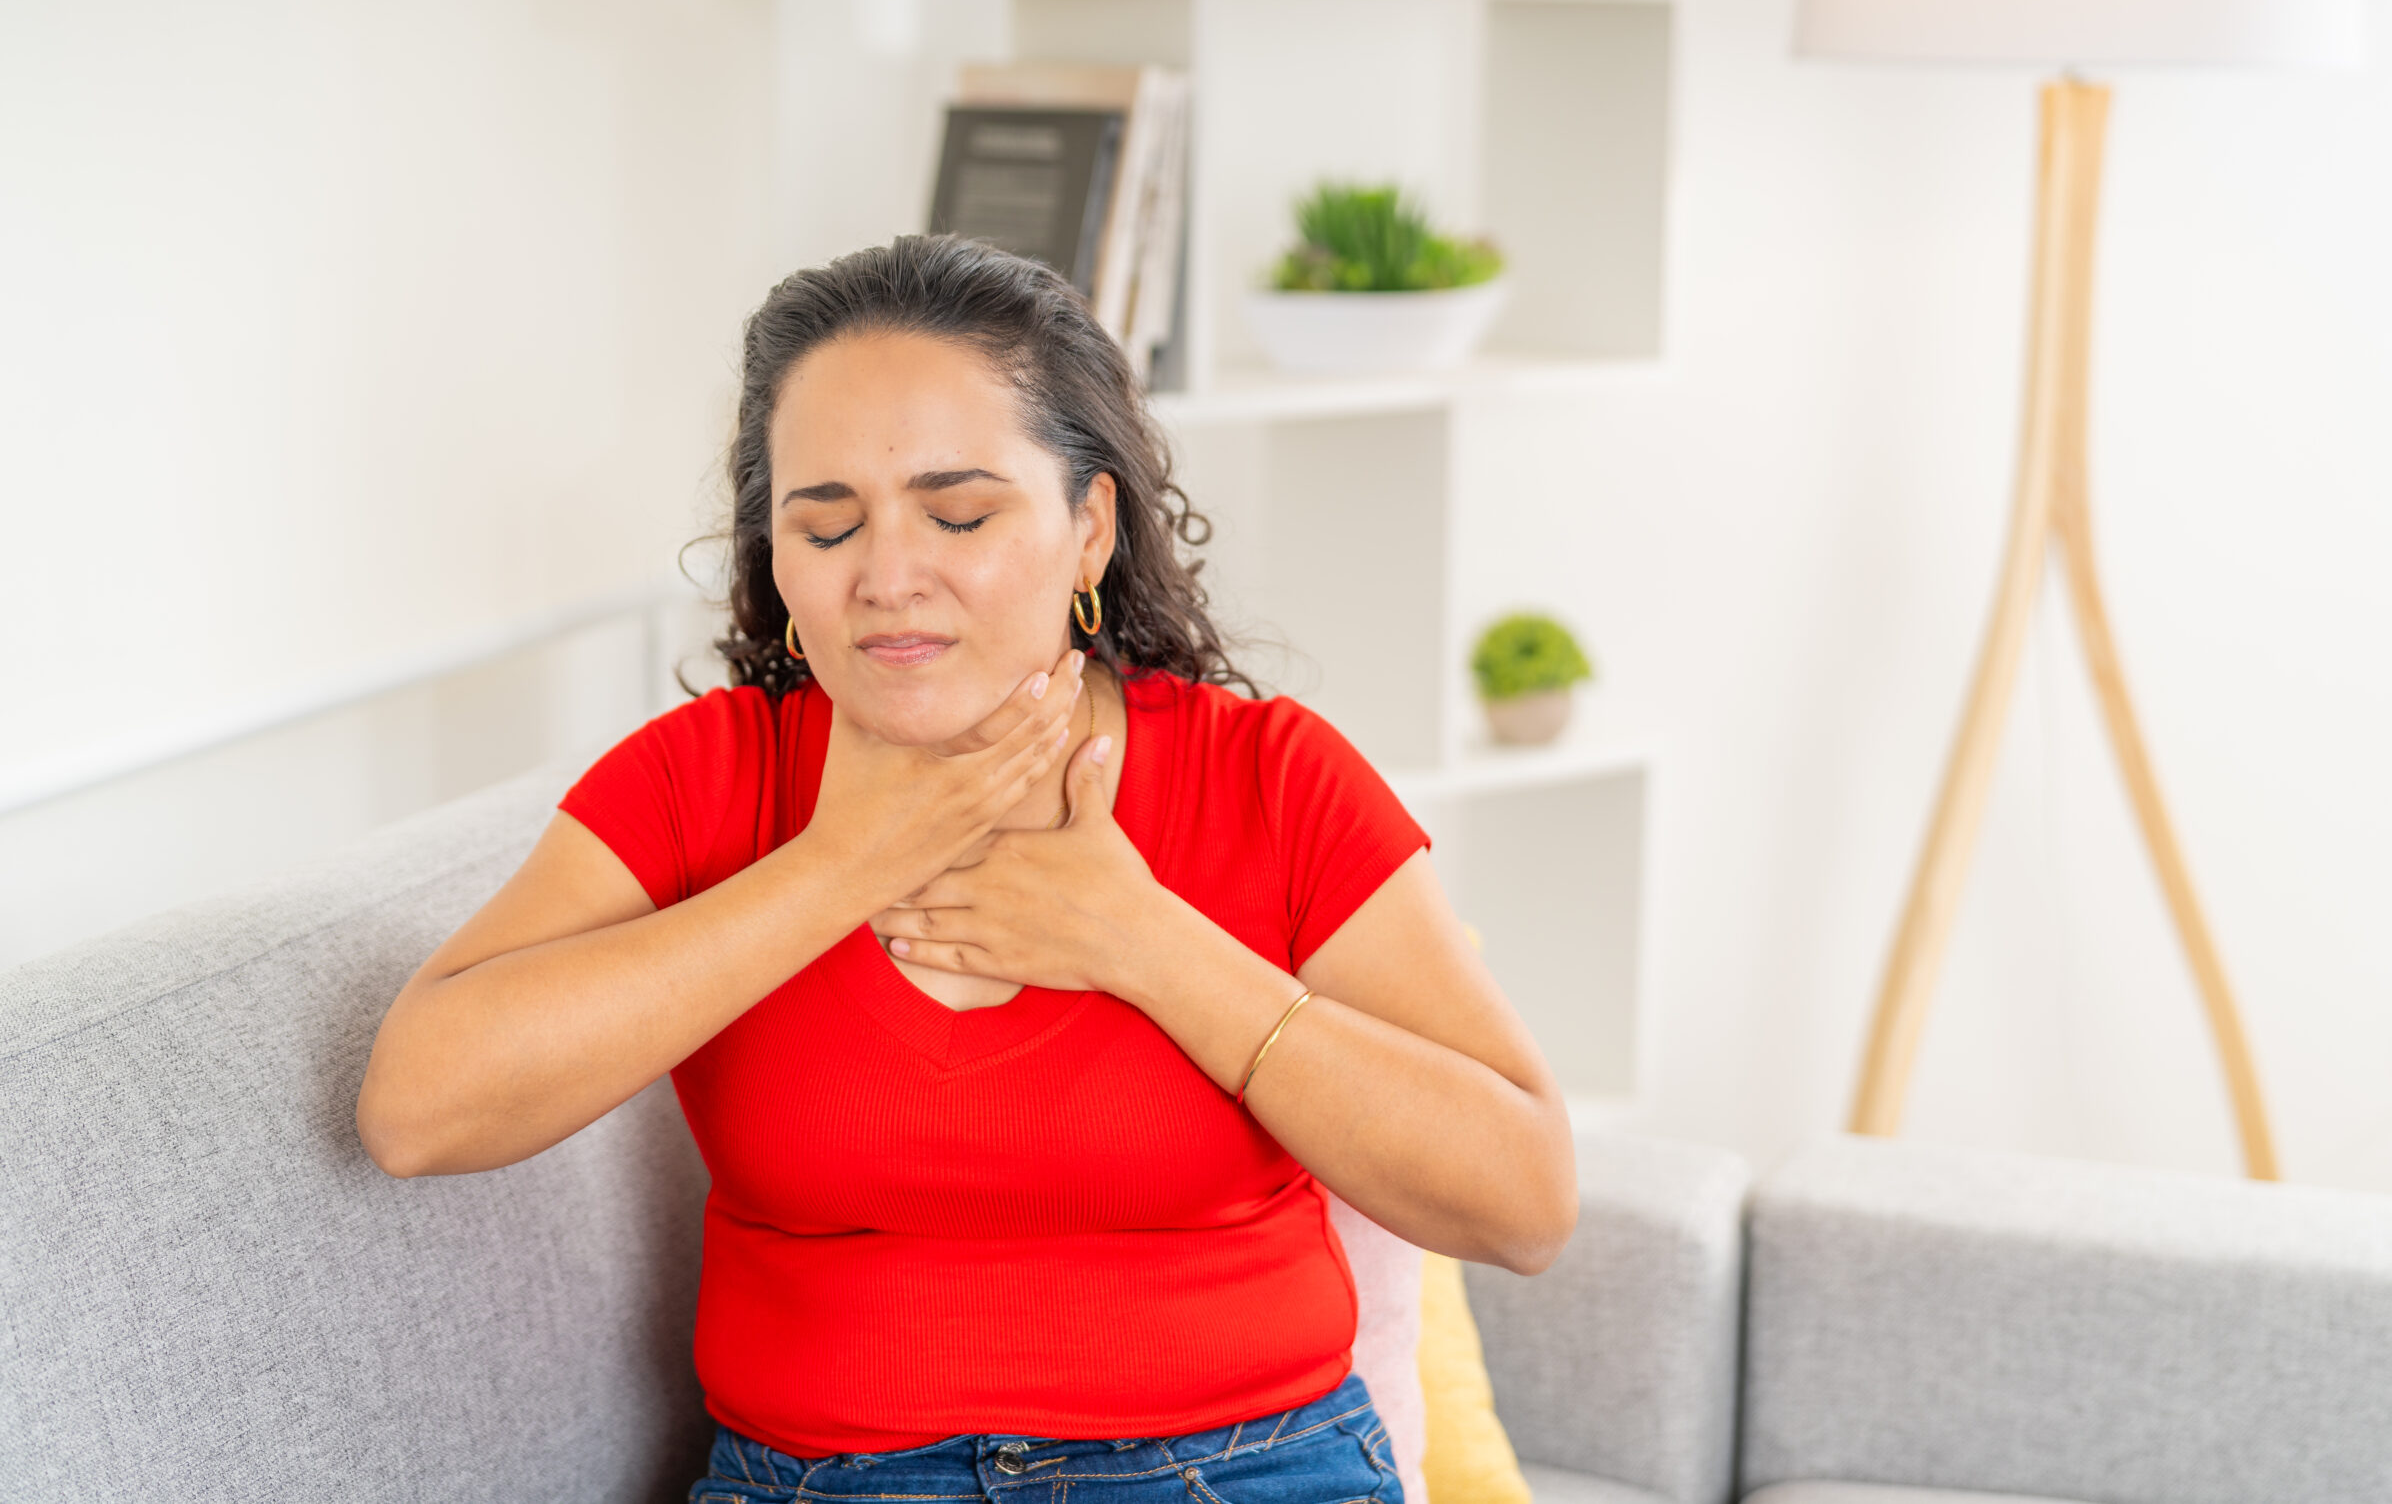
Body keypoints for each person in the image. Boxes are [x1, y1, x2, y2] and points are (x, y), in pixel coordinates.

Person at [357, 234, 1577, 1504]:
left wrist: (1140, 940)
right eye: (825, 525)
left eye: (959, 513)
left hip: (1247, 1472)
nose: (888, 579)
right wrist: (840, 865)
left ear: (1089, 525)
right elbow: (418, 1110)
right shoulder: (707, 778)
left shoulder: (1266, 778)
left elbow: (1522, 1204)